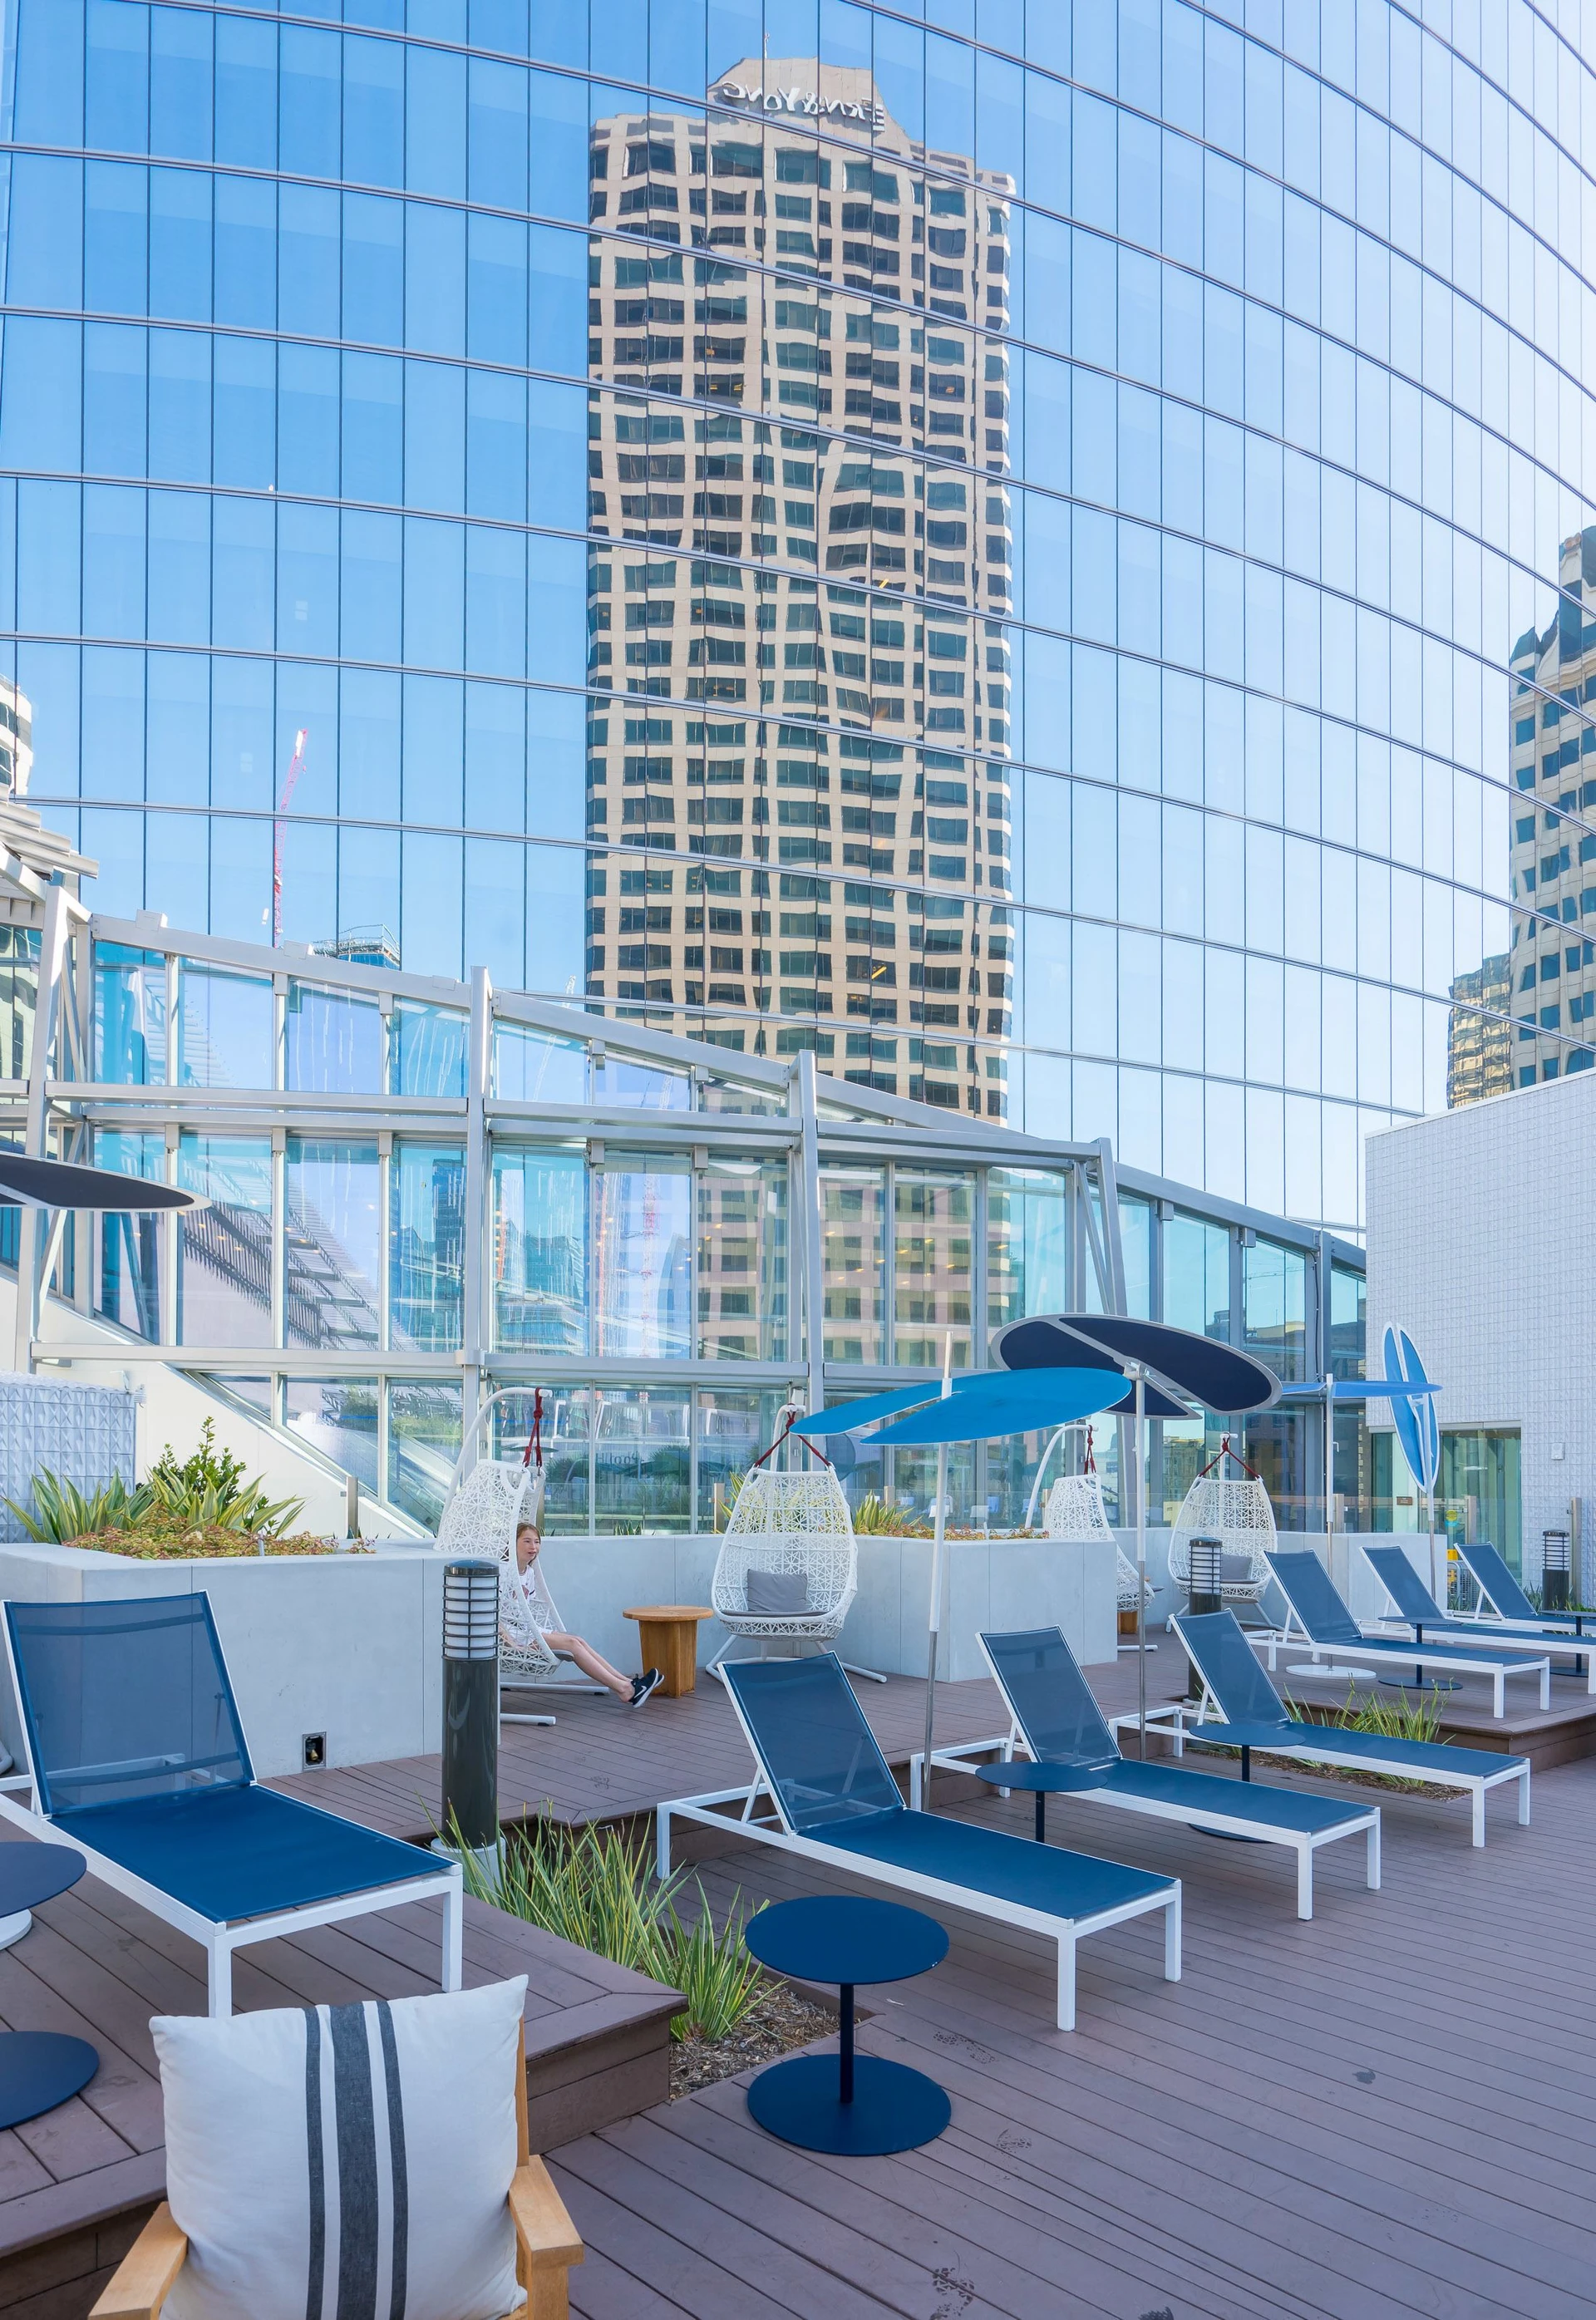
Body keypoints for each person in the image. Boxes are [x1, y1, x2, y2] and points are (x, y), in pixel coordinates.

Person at [503, 1521, 662, 1707]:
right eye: (527, 1541)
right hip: (513, 1637)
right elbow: (491, 1614)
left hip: (527, 1631)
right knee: (572, 1645)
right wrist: (512, 1644)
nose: (533, 1547)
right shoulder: (503, 1571)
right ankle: (626, 1690)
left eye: (537, 1542)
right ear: (513, 1543)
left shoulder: (528, 1572)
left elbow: (525, 1612)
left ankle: (630, 1683)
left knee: (578, 1640)